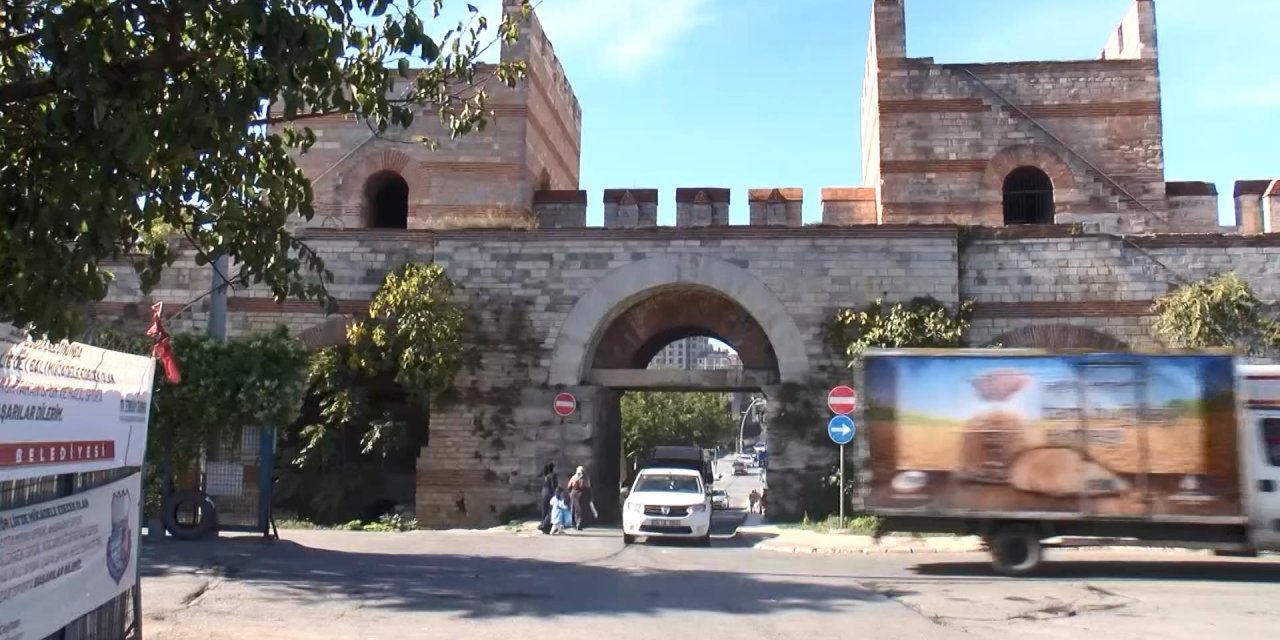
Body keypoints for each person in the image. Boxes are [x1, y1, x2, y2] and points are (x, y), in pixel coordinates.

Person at [567, 466, 592, 530]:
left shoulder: (574, 477)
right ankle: (579, 523)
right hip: (581, 495)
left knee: (574, 509)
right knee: (580, 509)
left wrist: (570, 493)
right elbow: (588, 487)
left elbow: (569, 486)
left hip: (573, 494)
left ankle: (574, 523)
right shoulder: (586, 478)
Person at [538, 462, 557, 535]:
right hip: (550, 494)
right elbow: (553, 486)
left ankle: (543, 524)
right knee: (551, 511)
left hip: (543, 493)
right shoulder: (553, 475)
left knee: (544, 510)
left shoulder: (544, 476)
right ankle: (545, 526)